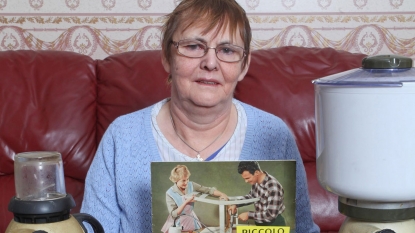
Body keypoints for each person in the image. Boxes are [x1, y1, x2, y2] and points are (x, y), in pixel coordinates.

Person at [81, 0, 320, 232]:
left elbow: (302, 229)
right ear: (167, 56)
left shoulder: (275, 135)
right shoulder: (121, 137)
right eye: (194, 46)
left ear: (244, 65)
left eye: (227, 50)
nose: (210, 62)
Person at [161, 165, 229, 232]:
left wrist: (222, 194)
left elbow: (208, 190)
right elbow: (174, 214)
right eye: (183, 180)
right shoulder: (170, 193)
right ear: (176, 180)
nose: (186, 182)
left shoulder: (191, 185)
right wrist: (186, 201)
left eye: (187, 179)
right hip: (177, 222)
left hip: (190, 219)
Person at [228, 161, 286, 226]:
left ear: (256, 172)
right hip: (260, 223)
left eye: (248, 178)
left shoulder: (273, 187)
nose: (246, 181)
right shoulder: (256, 181)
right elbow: (251, 196)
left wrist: (248, 215)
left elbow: (270, 215)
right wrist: (235, 204)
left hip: (274, 224)